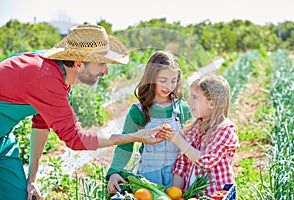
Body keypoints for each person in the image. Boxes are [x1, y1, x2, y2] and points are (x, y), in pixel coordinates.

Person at [0, 24, 164, 200]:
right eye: (101, 63)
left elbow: (41, 123)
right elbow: (76, 140)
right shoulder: (46, 76)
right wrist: (136, 136)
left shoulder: (60, 75)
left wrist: (31, 179)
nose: (106, 71)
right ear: (79, 63)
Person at [106, 50, 193, 194]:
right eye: (163, 80)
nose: (169, 86)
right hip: (149, 176)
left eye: (174, 80)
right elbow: (125, 145)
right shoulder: (138, 111)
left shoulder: (182, 108)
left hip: (178, 176)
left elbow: (193, 141)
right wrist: (114, 172)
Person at [158, 74, 240, 196]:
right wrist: (175, 194)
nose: (189, 102)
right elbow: (182, 164)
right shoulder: (192, 129)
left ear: (211, 104)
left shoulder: (225, 130)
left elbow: (206, 161)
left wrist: (178, 140)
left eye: (194, 97)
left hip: (216, 195)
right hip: (192, 196)